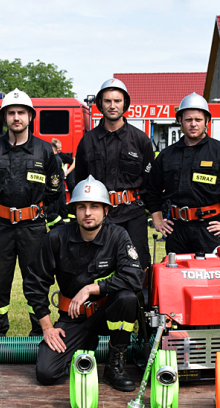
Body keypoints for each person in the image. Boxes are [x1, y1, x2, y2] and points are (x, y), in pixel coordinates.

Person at [25, 175, 143, 391]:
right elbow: (35, 282)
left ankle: (114, 365)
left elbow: (134, 276)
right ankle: (84, 345)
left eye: (95, 206)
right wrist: (47, 327)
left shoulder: (118, 236)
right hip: (74, 317)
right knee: (46, 373)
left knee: (126, 298)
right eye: (82, 207)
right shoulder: (57, 238)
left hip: (108, 313)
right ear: (74, 210)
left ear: (106, 210)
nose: (88, 213)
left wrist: (92, 288)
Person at [0, 89, 62, 337]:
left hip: (32, 227)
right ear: (4, 117)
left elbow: (54, 189)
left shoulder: (45, 151)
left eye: (21, 113)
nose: (16, 117)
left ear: (30, 116)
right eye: (11, 113)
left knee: (35, 278)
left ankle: (38, 329)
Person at [145, 93, 220, 255]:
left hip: (211, 231)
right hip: (176, 231)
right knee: (177, 277)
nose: (193, 124)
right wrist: (158, 220)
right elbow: (152, 190)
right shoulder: (167, 155)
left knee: (211, 278)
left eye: (198, 120)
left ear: (207, 121)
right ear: (180, 121)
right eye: (188, 119)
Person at [72, 78, 153, 269]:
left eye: (117, 101)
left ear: (125, 103)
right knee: (96, 267)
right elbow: (81, 182)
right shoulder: (87, 142)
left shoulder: (140, 140)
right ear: (100, 104)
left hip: (133, 215)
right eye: (107, 101)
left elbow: (150, 183)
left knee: (136, 267)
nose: (112, 105)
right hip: (99, 216)